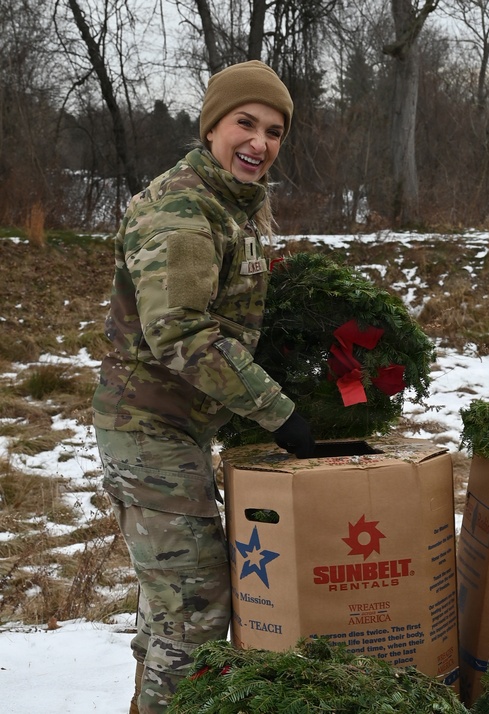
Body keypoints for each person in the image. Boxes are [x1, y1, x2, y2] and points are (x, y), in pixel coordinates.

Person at [91, 60, 315, 714]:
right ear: (212, 125)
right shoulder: (184, 208)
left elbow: (227, 314)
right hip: (148, 429)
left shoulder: (236, 202)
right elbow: (182, 333)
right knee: (193, 611)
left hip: (181, 426)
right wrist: (278, 411)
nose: (259, 143)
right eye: (245, 124)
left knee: (173, 608)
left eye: (274, 131)